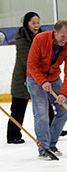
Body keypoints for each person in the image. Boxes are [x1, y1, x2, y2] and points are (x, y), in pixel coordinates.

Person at [26, 20, 67, 160]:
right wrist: (42, 81)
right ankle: (44, 148)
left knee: (65, 109)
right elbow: (31, 64)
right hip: (35, 78)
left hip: (54, 78)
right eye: (62, 36)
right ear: (55, 32)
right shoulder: (40, 39)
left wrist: (63, 93)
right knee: (41, 113)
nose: (65, 40)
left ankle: (52, 144)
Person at [7, 12, 42, 144]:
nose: (36, 25)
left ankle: (53, 129)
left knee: (46, 105)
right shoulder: (21, 39)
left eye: (38, 22)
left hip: (37, 75)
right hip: (22, 78)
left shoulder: (40, 36)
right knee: (18, 107)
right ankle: (13, 135)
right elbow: (27, 61)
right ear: (27, 24)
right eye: (33, 22)